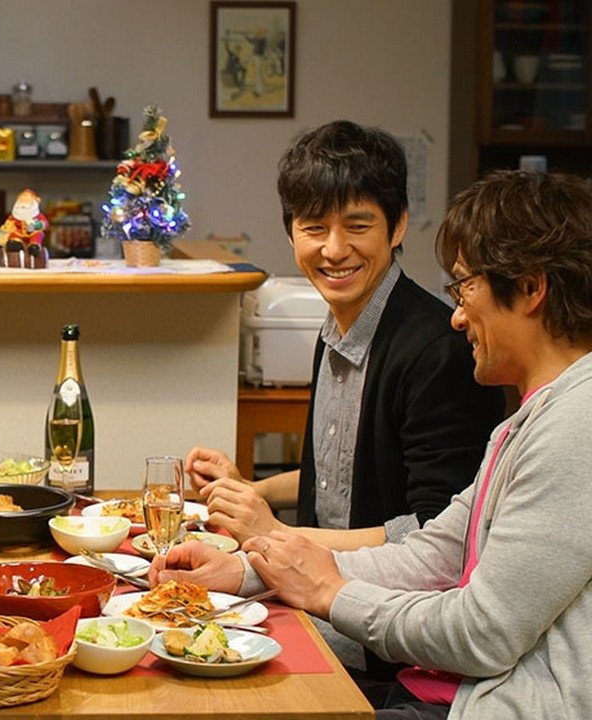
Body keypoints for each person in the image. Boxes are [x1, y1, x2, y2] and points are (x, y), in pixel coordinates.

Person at [153, 170, 592, 720]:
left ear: (530, 288)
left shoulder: (577, 426)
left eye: (464, 287)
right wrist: (249, 571)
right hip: (435, 689)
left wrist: (328, 593)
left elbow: (482, 633)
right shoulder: (531, 419)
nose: (458, 316)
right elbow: (434, 554)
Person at [187, 121, 504, 553]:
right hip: (317, 583)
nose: (334, 250)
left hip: (382, 593)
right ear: (291, 233)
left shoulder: (438, 351)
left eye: (357, 226)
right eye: (315, 228)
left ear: (397, 227)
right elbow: (338, 477)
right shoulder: (337, 328)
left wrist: (275, 533)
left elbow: (439, 534)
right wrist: (251, 490)